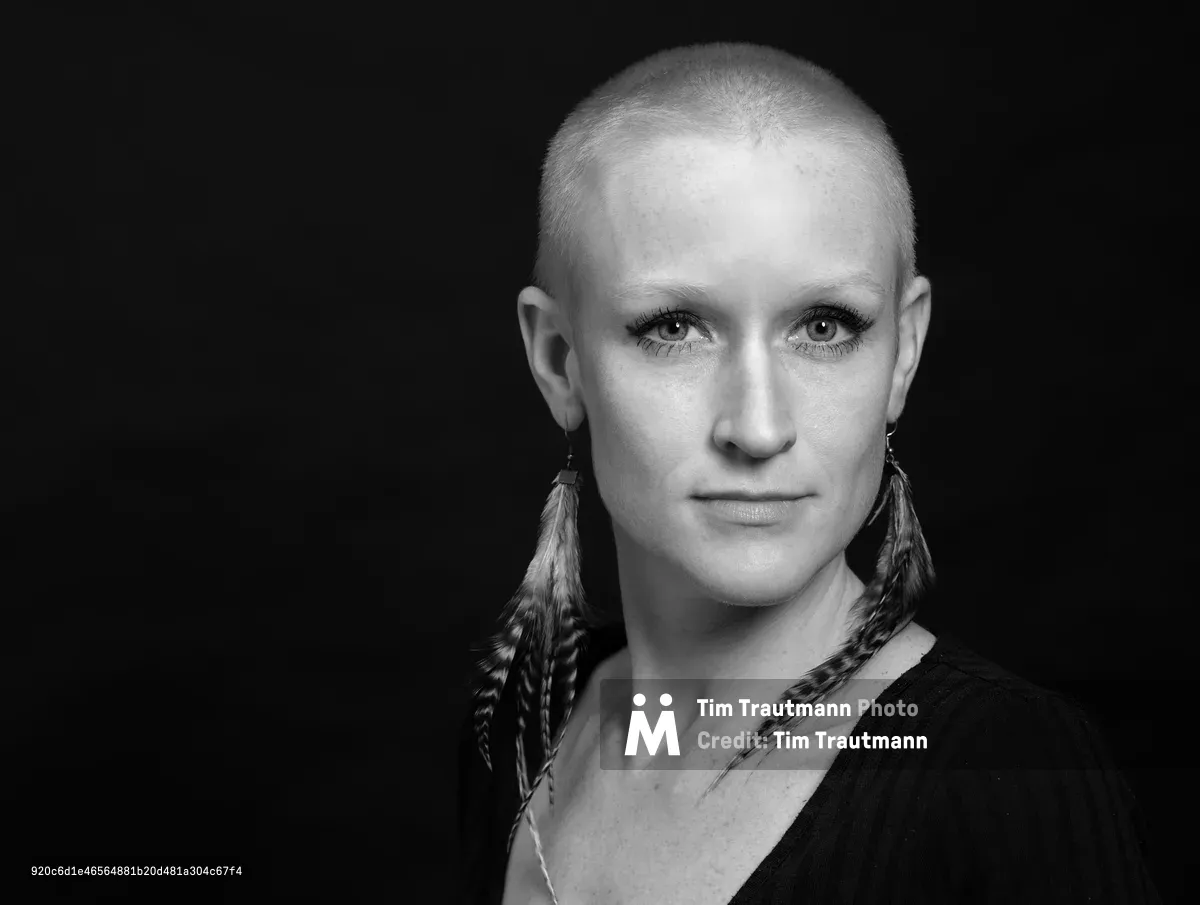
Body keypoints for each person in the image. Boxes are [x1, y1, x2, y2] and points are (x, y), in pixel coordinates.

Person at [458, 42, 1160, 904]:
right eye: (673, 327)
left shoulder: (1008, 777)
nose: (758, 428)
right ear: (559, 360)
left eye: (824, 327)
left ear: (903, 352)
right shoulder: (525, 726)